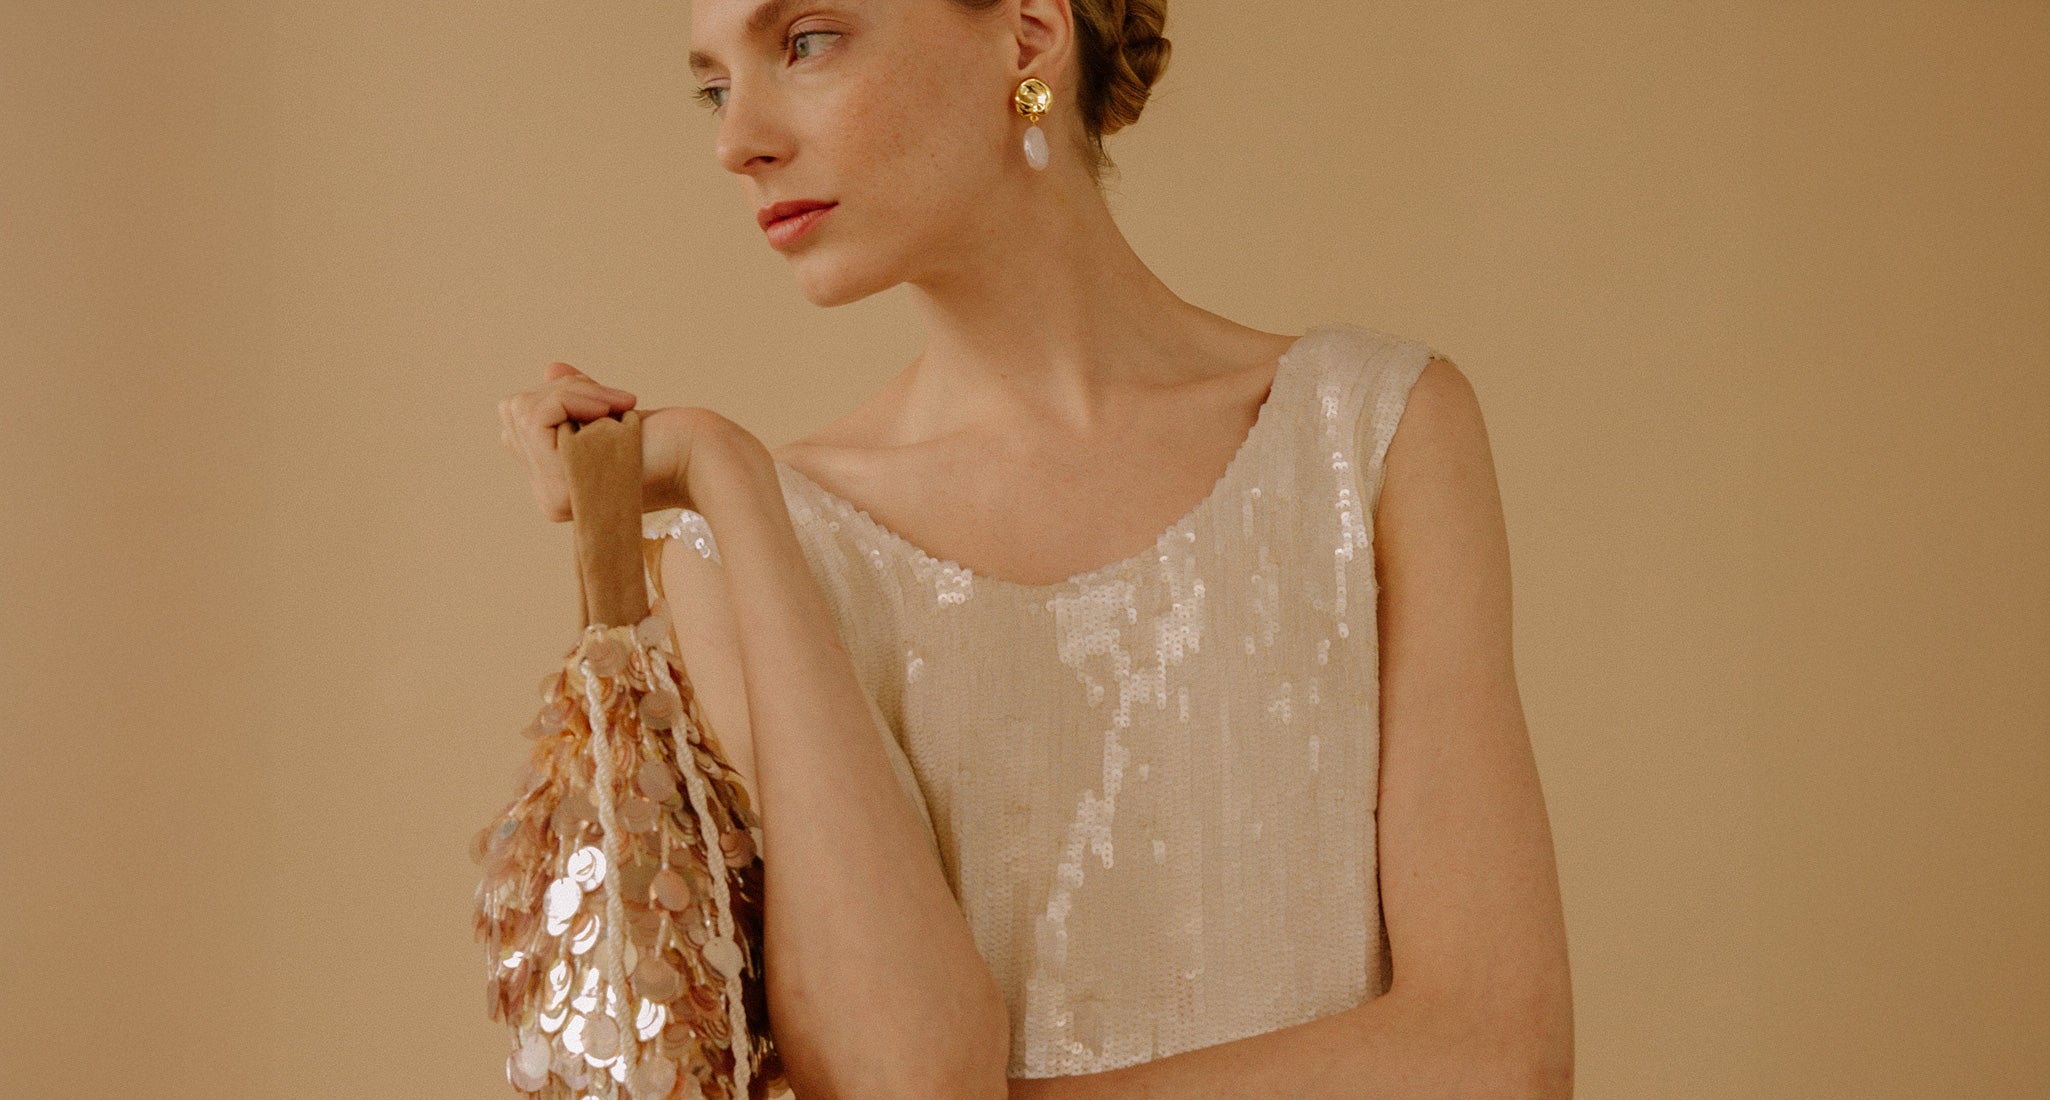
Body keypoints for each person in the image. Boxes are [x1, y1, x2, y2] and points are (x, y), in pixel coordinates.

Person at [498, 0, 1573, 1095]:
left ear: (1025, 33)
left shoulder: (1372, 433)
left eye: (805, 41)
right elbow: (903, 1076)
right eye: (715, 86)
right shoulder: (752, 544)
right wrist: (728, 474)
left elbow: (1496, 1054)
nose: (737, 141)